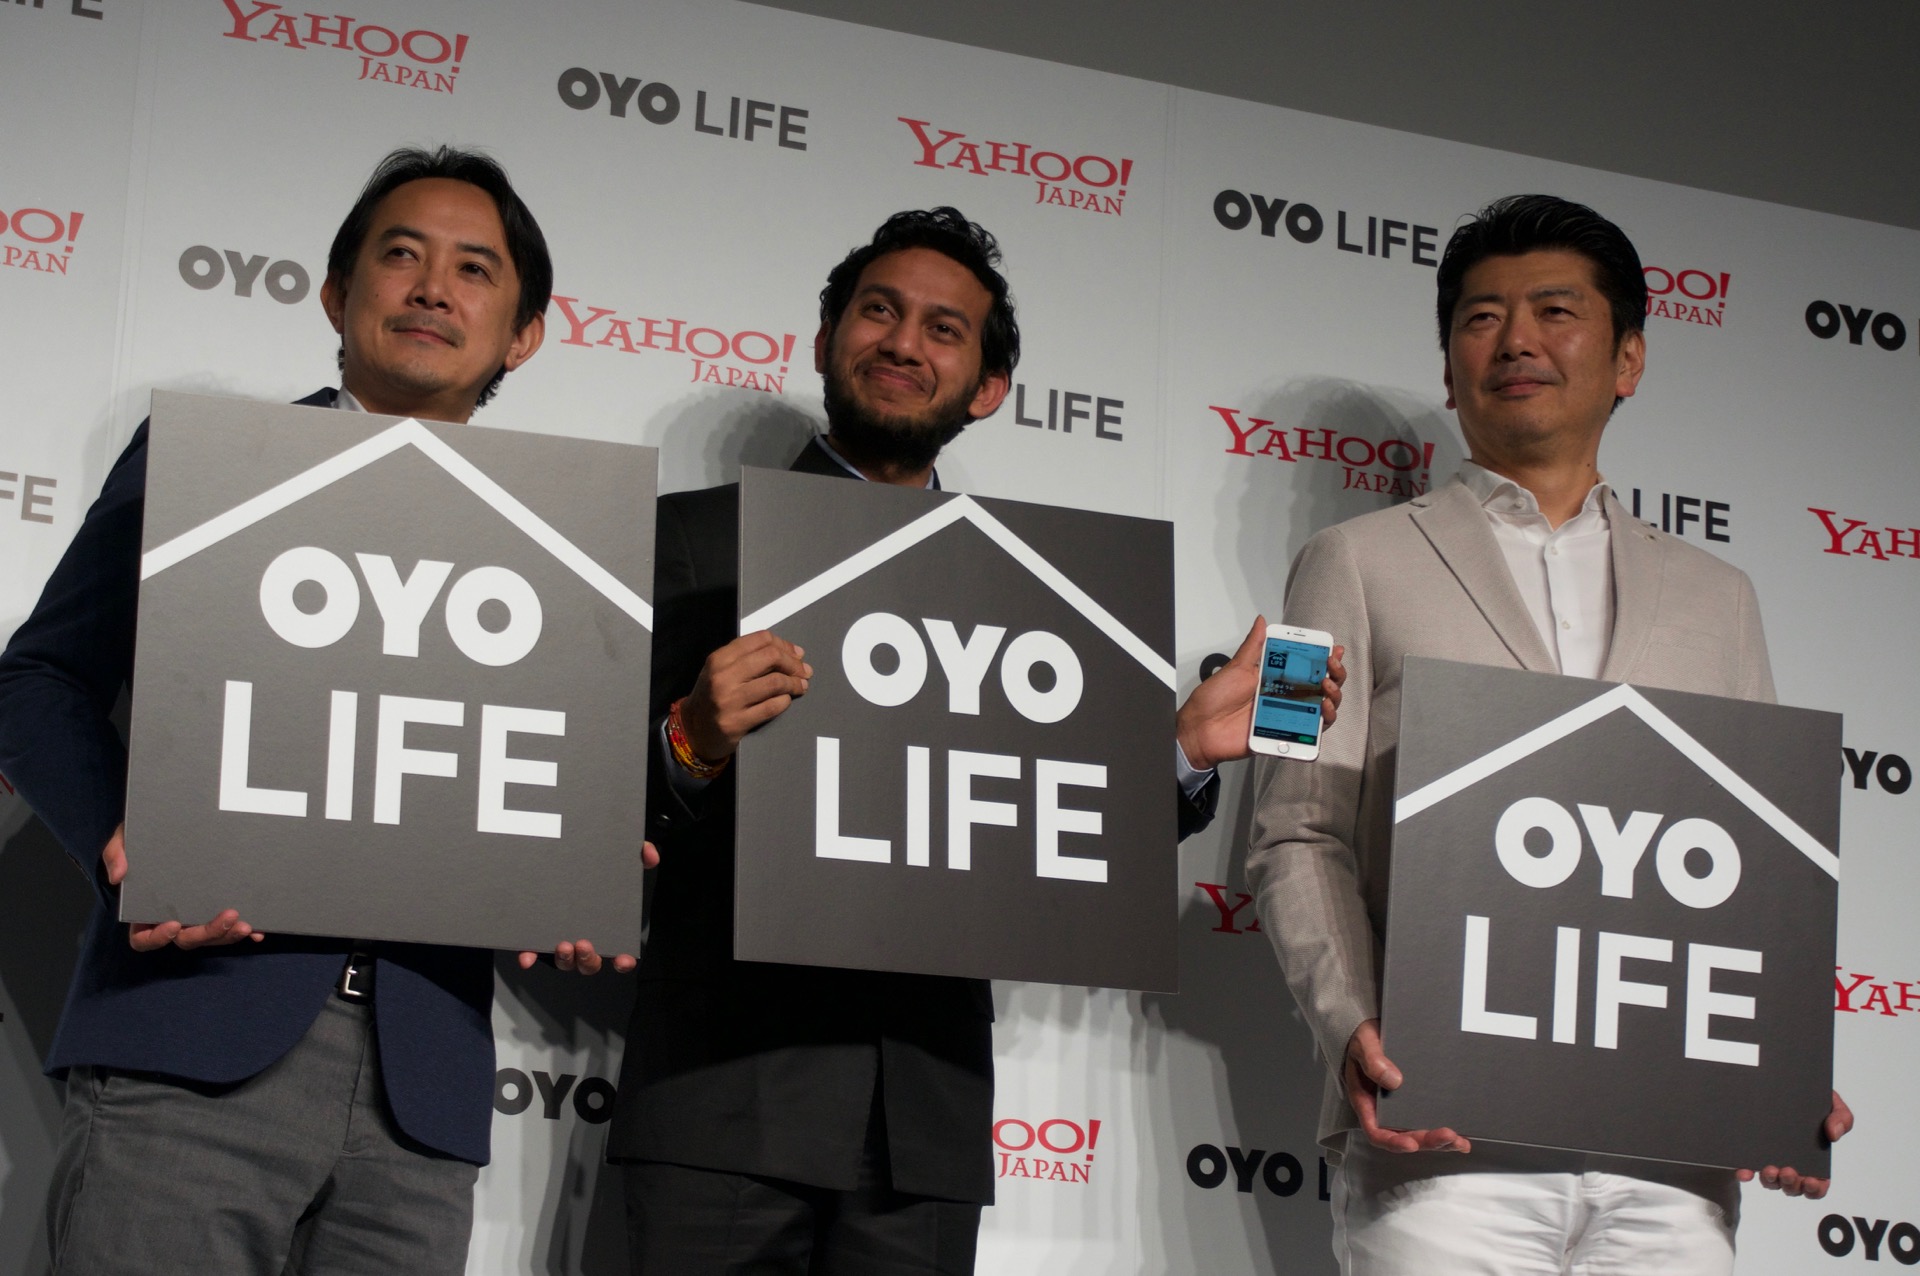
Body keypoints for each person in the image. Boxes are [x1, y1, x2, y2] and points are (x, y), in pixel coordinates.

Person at [610, 206, 1340, 1274]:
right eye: (879, 312)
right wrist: (690, 738)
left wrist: (1182, 747)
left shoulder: (1015, 585)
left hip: (922, 1128)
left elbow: (1051, 840)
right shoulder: (690, 535)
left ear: (989, 387)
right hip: (719, 1103)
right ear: (825, 340)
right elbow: (578, 806)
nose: (904, 342)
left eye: (944, 329)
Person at [0, 145, 637, 1275]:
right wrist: (121, 846)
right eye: (402, 255)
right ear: (339, 296)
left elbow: (530, 778)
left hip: (423, 1094)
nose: (433, 288)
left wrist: (578, 863)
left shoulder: (555, 543)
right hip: (190, 1042)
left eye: (474, 269)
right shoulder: (206, 466)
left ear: (524, 333)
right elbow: (35, 683)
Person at [1246, 193, 1852, 1275]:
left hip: (1671, 1163)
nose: (1516, 340)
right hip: (1443, 1148)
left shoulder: (1724, 599)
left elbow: (1758, 870)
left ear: (1630, 360)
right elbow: (1294, 829)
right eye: (1481, 318)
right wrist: (1351, 1023)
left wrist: (1780, 1068)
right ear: (1449, 370)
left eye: (1555, 312)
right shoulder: (1337, 565)